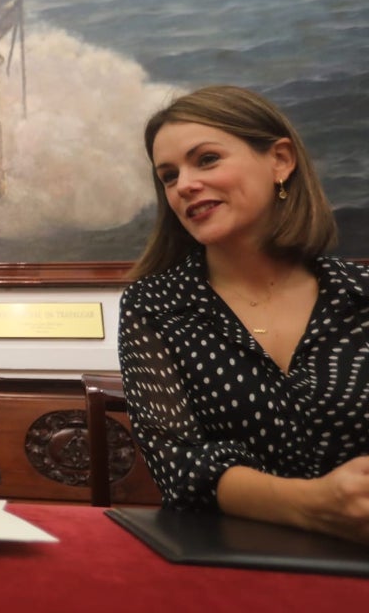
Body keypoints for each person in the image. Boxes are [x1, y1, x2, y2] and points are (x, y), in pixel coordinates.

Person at [119, 85, 369, 545]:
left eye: (207, 159)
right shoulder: (154, 304)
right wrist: (315, 505)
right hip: (225, 562)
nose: (185, 185)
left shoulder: (359, 297)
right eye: (169, 176)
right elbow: (180, 464)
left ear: (280, 161)